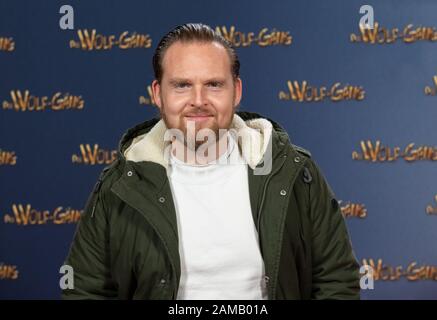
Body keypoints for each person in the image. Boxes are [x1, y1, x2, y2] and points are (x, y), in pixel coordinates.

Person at [62, 23, 360, 300]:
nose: (199, 99)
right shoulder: (119, 187)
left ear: (237, 91)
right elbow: (86, 290)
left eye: (214, 84)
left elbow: (337, 279)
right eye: (181, 85)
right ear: (158, 94)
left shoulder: (293, 172)